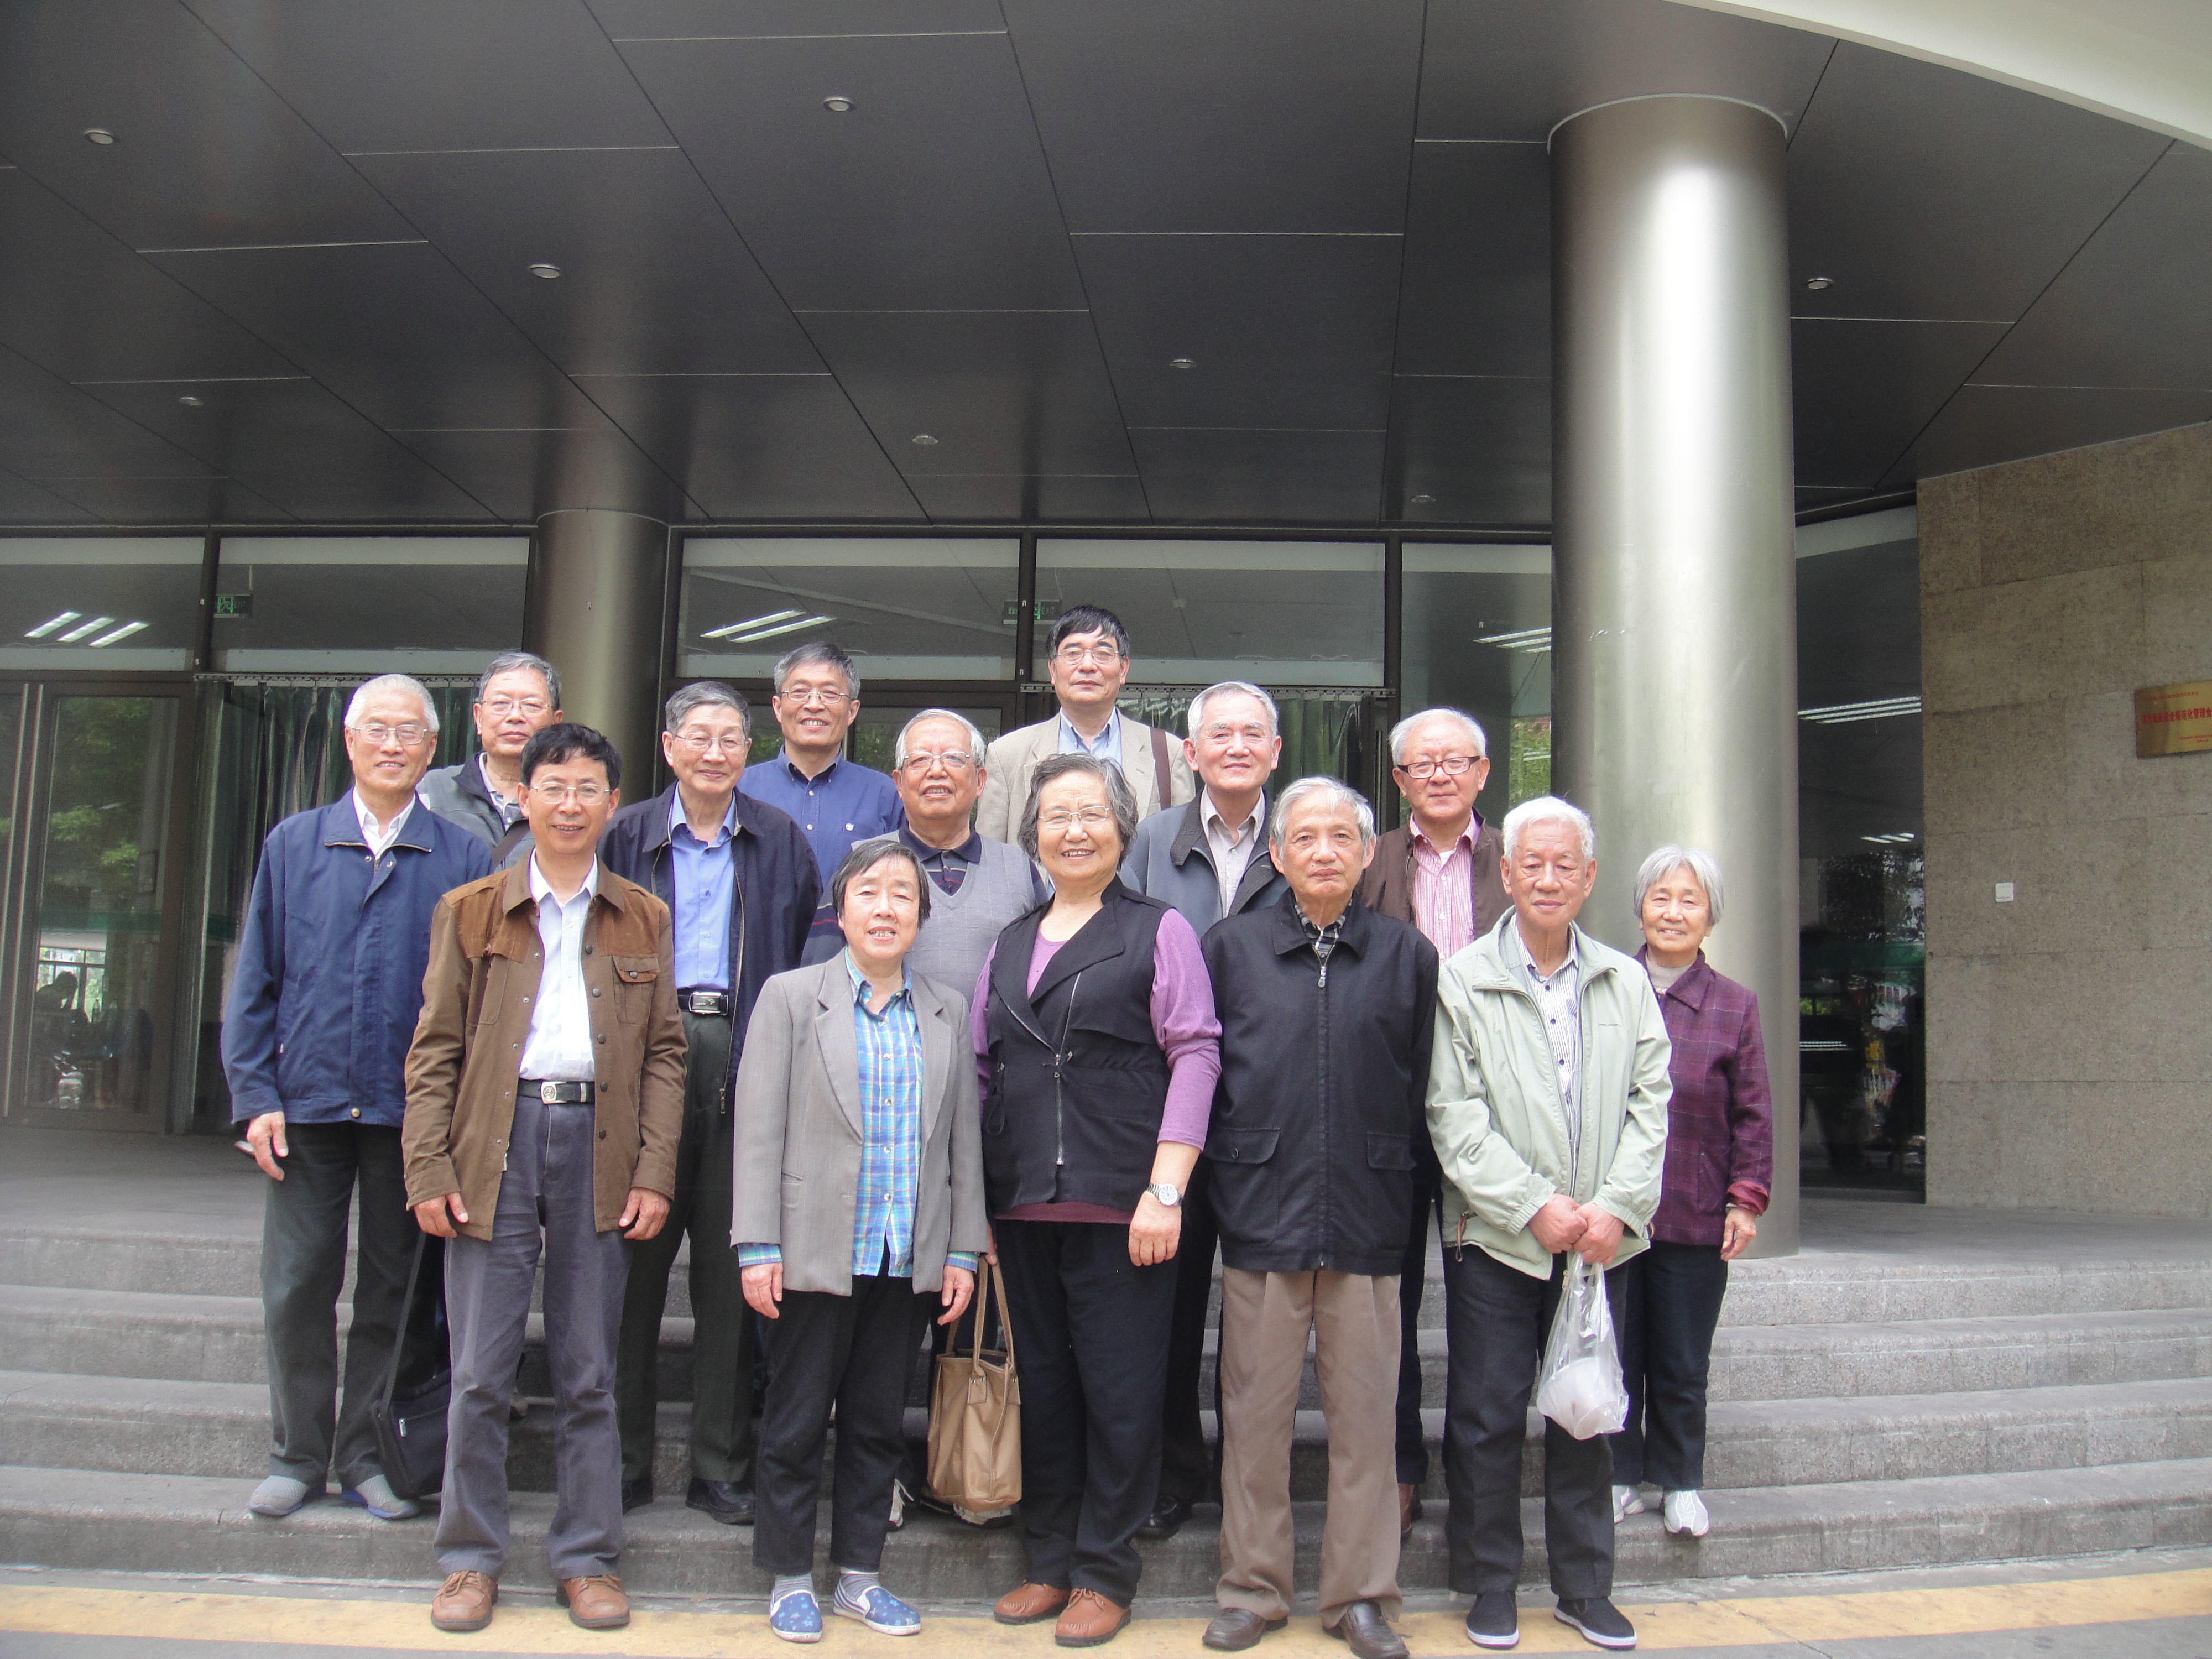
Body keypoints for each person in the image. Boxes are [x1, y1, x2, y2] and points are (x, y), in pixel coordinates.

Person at [402, 722, 685, 1636]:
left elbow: (666, 1054)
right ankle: (468, 1559)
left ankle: (588, 1557)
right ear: (523, 798)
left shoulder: (643, 915)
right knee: (480, 1373)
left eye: (587, 788)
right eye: (553, 787)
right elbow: (434, 1049)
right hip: (495, 1140)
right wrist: (427, 1165)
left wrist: (653, 1170)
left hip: (600, 1143)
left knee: (589, 1370)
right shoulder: (471, 909)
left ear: (613, 803)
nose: (570, 804)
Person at [221, 673, 492, 1525]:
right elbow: (256, 980)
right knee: (298, 1284)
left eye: (410, 732)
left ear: (432, 748)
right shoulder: (294, 844)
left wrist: (457, 1119)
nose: (392, 744)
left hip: (409, 1115)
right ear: (349, 740)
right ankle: (295, 1456)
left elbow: (477, 1003)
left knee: (392, 1294)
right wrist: (255, 1093)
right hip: (305, 1106)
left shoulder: (462, 858)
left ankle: (366, 1456)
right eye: (377, 728)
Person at [975, 753, 1221, 1647]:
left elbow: (1196, 1051)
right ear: (1033, 834)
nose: (1073, 830)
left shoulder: (1159, 930)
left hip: (1126, 1204)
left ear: (1122, 829)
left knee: (1121, 1394)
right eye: (1056, 815)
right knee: (1045, 1389)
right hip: (1022, 1205)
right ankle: (1048, 1559)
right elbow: (983, 1070)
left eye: (1091, 814)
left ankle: (1104, 1570)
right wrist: (977, 1208)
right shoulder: (1008, 941)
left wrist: (1167, 1188)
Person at [731, 837, 990, 1642]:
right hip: (811, 1250)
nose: (885, 908)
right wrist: (756, 1245)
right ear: (840, 912)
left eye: (903, 896)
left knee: (878, 1424)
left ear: (920, 916)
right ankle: (787, 1577)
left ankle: (859, 1577)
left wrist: (961, 1250)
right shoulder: (790, 997)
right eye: (869, 893)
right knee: (796, 1420)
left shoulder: (945, 1010)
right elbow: (757, 1130)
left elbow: (963, 1144)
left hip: (905, 1253)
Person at [1200, 779, 1437, 1659]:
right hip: (1262, 1209)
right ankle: (1253, 1589)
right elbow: (1206, 1078)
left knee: (1368, 1424)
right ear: (1278, 853)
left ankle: (1360, 1598)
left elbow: (1424, 1086)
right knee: (1254, 1419)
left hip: (1370, 1214)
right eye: (1306, 837)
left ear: (1369, 853)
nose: (1325, 851)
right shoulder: (1231, 948)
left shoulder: (1408, 955)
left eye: (1343, 837)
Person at [1427, 796, 1670, 1653]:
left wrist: (1616, 1209)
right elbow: (1453, 1113)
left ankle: (1584, 1587)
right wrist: (1532, 1203)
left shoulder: (1625, 981)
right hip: (1497, 1238)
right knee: (1486, 1416)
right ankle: (1491, 1582)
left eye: (1565, 864)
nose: (1548, 878)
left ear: (1590, 877)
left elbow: (1651, 1104)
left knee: (1586, 1414)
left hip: (1599, 1245)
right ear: (1505, 873)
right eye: (1531, 863)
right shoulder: (1463, 978)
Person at [599, 682, 819, 1525]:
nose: (715, 752)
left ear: (747, 750)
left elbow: (804, 955)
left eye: (731, 737)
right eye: (699, 736)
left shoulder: (779, 838)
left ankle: (720, 1465)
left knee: (733, 1269)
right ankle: (620, 1462)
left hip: (746, 1046)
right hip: (641, 1056)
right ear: (669, 746)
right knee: (632, 1266)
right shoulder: (624, 835)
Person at [1118, 680, 1288, 1541]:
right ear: (1190, 754)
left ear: (1275, 751)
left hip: (1269, 1109)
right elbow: (1121, 944)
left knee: (1262, 1313)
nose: (1235, 747)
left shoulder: (1302, 837)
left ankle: (1249, 1479)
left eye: (1252, 734)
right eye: (1218, 735)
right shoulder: (1152, 839)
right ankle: (1173, 1472)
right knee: (1170, 1309)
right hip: (1171, 1115)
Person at [1358, 707, 1507, 1540]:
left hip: (1495, 1115)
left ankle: (1483, 1482)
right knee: (1392, 1302)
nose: (1441, 774)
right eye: (1424, 764)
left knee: (1489, 1304)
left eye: (1457, 760)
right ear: (1400, 780)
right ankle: (1400, 1466)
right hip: (1393, 1107)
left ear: (1483, 772)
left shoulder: (1518, 859)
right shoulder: (1370, 857)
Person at [1609, 846, 1772, 1541]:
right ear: (1640, 909)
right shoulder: (1607, 987)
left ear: (1710, 918)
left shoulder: (1734, 1005)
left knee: (1681, 1358)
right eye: (1661, 898)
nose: (1672, 913)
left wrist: (1745, 1199)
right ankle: (1618, 1475)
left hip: (1694, 1207)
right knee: (1616, 1351)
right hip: (1613, 1212)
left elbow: (1753, 1113)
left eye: (1689, 901)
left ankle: (1679, 1481)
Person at [737, 641, 902, 961]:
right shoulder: (740, 789)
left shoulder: (885, 795)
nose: (814, 705)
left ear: (852, 711)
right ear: (777, 707)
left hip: (854, 968)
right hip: (756, 965)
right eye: (800, 692)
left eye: (829, 693)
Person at [974, 605, 1195, 842]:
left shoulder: (1167, 752)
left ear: (1123, 669)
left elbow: (1183, 848)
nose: (1087, 666)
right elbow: (990, 852)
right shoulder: (1007, 755)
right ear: (1053, 670)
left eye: (1103, 653)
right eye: (1073, 653)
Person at [894, 708, 1052, 997]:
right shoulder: (864, 865)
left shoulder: (1018, 868)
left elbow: (1048, 974)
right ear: (899, 783)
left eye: (954, 758)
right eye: (919, 760)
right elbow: (827, 982)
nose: (936, 771)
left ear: (980, 781)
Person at [419, 650, 562, 861]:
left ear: (556, 722)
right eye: (501, 704)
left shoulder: (572, 799)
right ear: (478, 718)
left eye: (531, 705)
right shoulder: (431, 790)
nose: (515, 716)